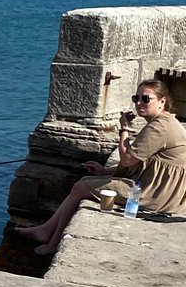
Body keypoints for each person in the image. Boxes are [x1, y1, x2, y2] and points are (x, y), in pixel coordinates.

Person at [17, 78, 186, 255]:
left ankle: (51, 244)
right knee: (84, 182)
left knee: (81, 187)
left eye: (146, 99)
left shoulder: (160, 127)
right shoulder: (163, 122)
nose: (139, 103)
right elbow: (142, 163)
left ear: (162, 101)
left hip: (156, 194)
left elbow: (128, 160)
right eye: (136, 99)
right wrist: (105, 171)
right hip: (156, 186)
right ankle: (46, 230)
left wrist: (124, 130)